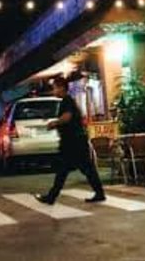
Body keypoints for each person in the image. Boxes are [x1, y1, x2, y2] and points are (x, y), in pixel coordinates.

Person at [35, 76, 106, 205]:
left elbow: (67, 117)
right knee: (84, 168)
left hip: (73, 142)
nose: (53, 91)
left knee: (65, 170)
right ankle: (99, 193)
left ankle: (51, 197)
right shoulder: (67, 100)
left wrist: (54, 123)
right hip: (75, 141)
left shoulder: (67, 101)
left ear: (61, 88)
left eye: (55, 88)